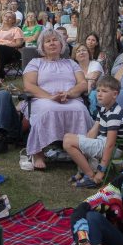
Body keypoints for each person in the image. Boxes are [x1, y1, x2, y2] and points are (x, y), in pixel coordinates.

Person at [23, 29, 93, 170]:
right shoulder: (35, 62)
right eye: (48, 41)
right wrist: (50, 97)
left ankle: (82, 150)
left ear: (61, 45)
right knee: (48, 110)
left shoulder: (71, 63)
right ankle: (38, 153)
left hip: (70, 98)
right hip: (42, 99)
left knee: (80, 109)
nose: (52, 43)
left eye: (55, 40)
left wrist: (69, 93)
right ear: (42, 47)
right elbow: (29, 85)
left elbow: (83, 84)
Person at [62, 75, 123, 189]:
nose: (99, 94)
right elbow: (93, 132)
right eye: (98, 91)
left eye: (104, 91)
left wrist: (101, 170)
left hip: (113, 148)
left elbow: (110, 144)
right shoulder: (103, 108)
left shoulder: (114, 114)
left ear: (115, 94)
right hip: (102, 141)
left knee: (68, 142)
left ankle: (91, 177)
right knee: (69, 138)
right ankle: (83, 171)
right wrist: (84, 143)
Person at [0, 11, 24, 78]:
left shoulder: (16, 30)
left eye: (10, 17)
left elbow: (19, 44)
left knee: (0, 48)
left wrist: (5, 44)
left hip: (12, 52)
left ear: (13, 20)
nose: (7, 18)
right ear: (2, 17)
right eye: (5, 16)